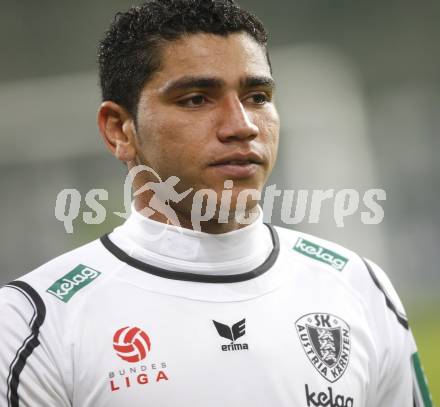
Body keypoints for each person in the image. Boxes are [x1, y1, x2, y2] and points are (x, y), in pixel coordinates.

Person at [0, 1, 433, 406]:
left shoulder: (357, 286)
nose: (242, 126)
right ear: (119, 129)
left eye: (257, 97)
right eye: (196, 99)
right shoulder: (35, 322)